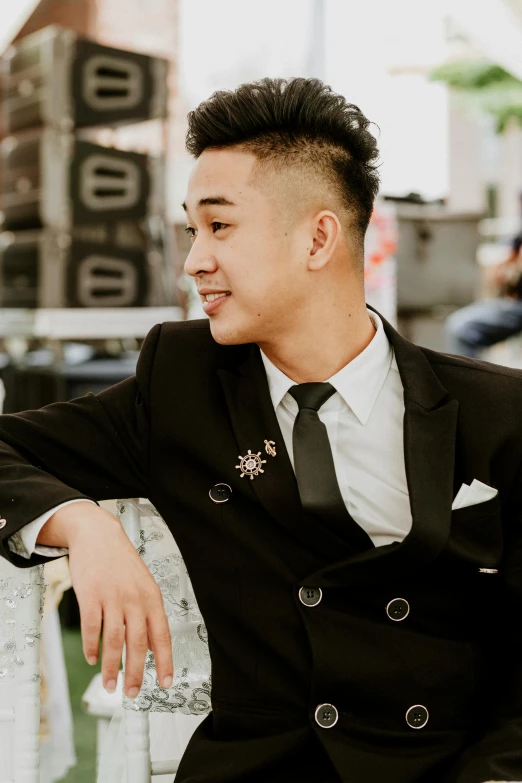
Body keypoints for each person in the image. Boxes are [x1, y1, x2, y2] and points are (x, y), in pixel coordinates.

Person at [0, 76, 521, 783]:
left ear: (318, 237)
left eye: (220, 226)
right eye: (192, 229)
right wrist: (81, 522)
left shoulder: (498, 413)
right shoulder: (180, 383)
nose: (193, 261)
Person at [444, 232, 522, 358]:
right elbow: (514, 242)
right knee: (456, 325)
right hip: (514, 302)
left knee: (463, 330)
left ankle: (469, 376)